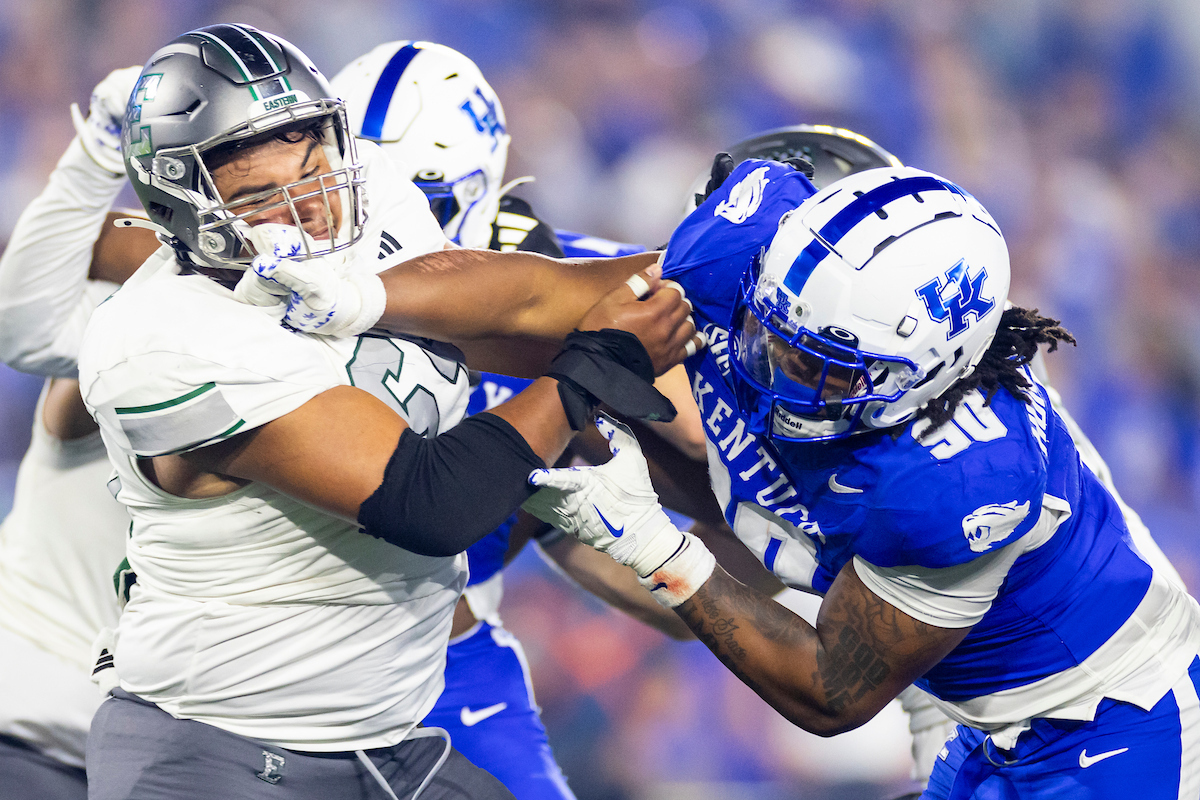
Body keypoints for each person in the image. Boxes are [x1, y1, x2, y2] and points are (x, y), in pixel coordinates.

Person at [76, 23, 697, 800]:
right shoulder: (164, 339)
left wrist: (719, 264)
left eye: (313, 169)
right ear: (183, 205)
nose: (308, 208)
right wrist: (592, 368)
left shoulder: (367, 190)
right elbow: (430, 504)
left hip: (388, 735)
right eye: (260, 196)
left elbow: (526, 301)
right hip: (220, 748)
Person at [519, 162, 1200, 798]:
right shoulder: (820, 289)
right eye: (774, 331)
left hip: (1113, 724)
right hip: (999, 726)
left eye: (822, 364)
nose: (773, 369)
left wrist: (652, 545)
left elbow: (829, 692)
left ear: (923, 371)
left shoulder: (958, 480)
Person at [329, 39, 697, 800]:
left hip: (446, 651)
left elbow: (697, 441)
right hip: (273, 650)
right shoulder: (279, 280)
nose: (375, 226)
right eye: (353, 195)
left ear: (478, 194)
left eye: (414, 198)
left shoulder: (571, 280)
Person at [0, 65, 153, 800]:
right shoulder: (131, 327)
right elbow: (26, 328)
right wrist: (96, 152)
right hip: (30, 733)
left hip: (136, 758)